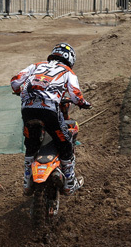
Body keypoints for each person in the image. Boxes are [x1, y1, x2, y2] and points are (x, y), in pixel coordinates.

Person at [10, 43, 91, 196]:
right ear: (70, 59)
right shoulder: (68, 71)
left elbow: (16, 81)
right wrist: (83, 103)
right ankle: (69, 184)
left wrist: (17, 91)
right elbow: (75, 94)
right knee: (65, 143)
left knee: (31, 145)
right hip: (49, 110)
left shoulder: (36, 65)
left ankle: (27, 184)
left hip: (27, 110)